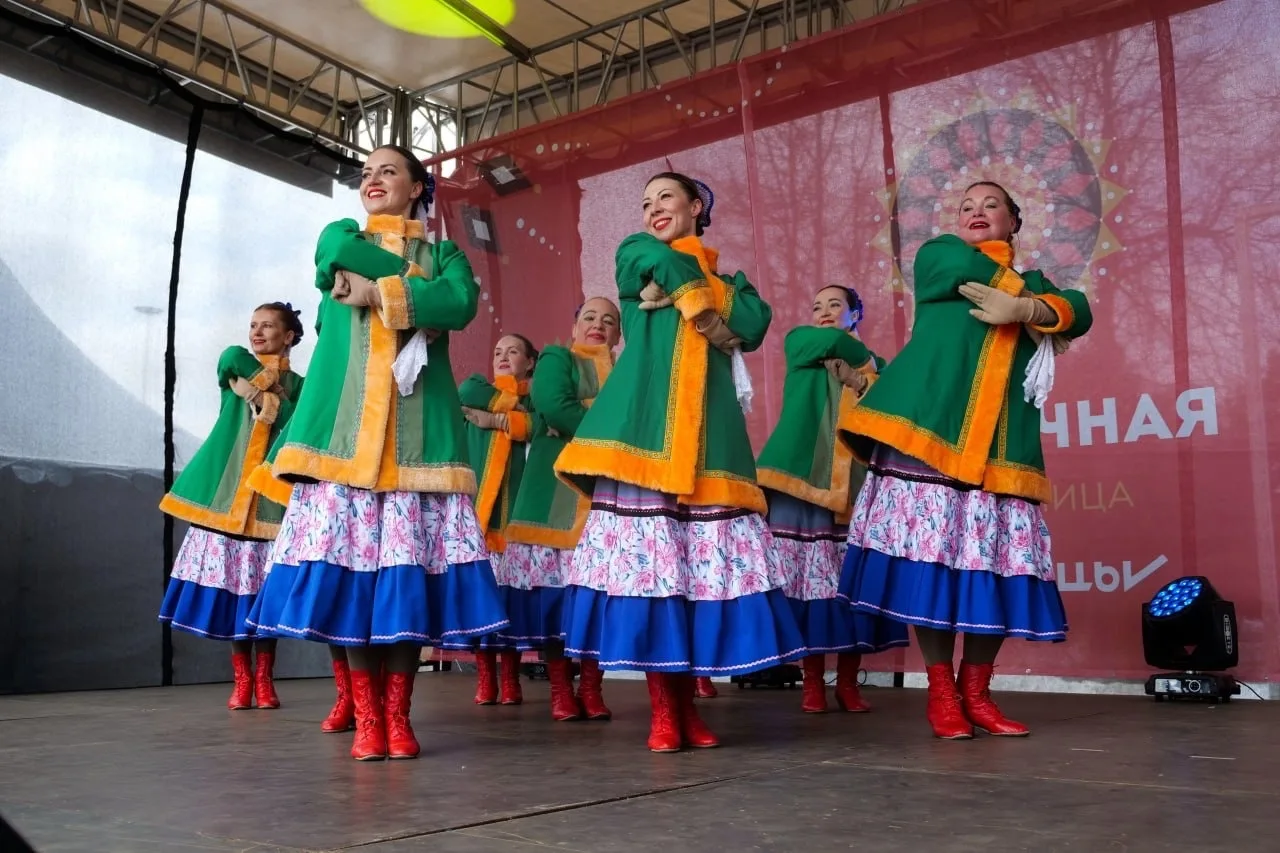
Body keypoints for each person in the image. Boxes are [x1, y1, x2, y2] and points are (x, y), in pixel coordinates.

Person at [246, 144, 509, 761]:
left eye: (388, 170)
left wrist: (381, 291)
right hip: (343, 446)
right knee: (355, 597)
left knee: (402, 596)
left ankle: (398, 715)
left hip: (417, 448)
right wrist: (415, 292)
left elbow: (461, 303)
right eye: (365, 173)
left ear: (420, 188)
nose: (372, 180)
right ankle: (367, 718)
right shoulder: (340, 232)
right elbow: (338, 254)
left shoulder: (444, 252)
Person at [555, 172, 805, 753]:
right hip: (646, 442)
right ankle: (664, 713)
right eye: (645, 202)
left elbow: (756, 323)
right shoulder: (636, 254)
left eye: (666, 197)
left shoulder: (731, 281)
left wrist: (706, 297)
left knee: (695, 585)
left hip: (711, 449)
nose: (653, 209)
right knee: (656, 583)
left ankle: (688, 708)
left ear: (696, 206)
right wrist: (702, 302)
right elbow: (649, 265)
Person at [838, 180, 1092, 739]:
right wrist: (1033, 305)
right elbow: (957, 270)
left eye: (990, 205)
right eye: (966, 206)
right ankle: (942, 694)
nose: (976, 212)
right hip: (935, 435)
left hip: (1002, 451)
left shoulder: (1037, 287)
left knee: (996, 570)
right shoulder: (940, 256)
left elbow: (1080, 309)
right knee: (931, 570)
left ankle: (977, 693)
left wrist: (1029, 305)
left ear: (1015, 222)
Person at [757, 285, 908, 714]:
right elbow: (829, 341)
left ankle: (847, 682)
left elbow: (896, 411)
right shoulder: (801, 342)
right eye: (816, 305)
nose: (822, 312)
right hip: (800, 482)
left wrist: (862, 381)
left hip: (857, 484)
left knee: (848, 585)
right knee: (806, 586)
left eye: (834, 305)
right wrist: (867, 365)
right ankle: (810, 683)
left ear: (856, 313)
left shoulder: (878, 368)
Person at [158, 302, 305, 710]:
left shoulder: (303, 387)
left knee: (262, 591)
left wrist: (275, 397)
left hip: (270, 504)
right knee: (236, 591)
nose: (257, 333)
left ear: (289, 336)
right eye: (253, 325)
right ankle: (242, 680)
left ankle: (265, 677)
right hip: (228, 497)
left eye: (268, 326)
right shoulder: (238, 371)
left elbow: (296, 422)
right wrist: (260, 387)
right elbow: (228, 356)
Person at [489, 299, 621, 722]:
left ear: (619, 334)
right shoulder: (556, 358)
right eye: (589, 317)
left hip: (608, 499)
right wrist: (611, 429)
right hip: (553, 494)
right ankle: (562, 690)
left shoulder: (626, 373)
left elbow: (640, 419)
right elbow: (552, 403)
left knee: (596, 600)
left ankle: (593, 688)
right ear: (574, 324)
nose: (598, 325)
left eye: (609, 321)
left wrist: (580, 414)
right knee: (552, 603)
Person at [453, 333, 537, 707]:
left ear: (531, 363)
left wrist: (501, 422)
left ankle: (510, 677)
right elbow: (466, 390)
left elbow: (540, 423)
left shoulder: (537, 402)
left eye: (513, 351)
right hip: (481, 520)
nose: (503, 356)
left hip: (518, 514)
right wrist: (503, 415)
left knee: (511, 602)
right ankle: (486, 678)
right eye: (498, 351)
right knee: (483, 601)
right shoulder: (477, 388)